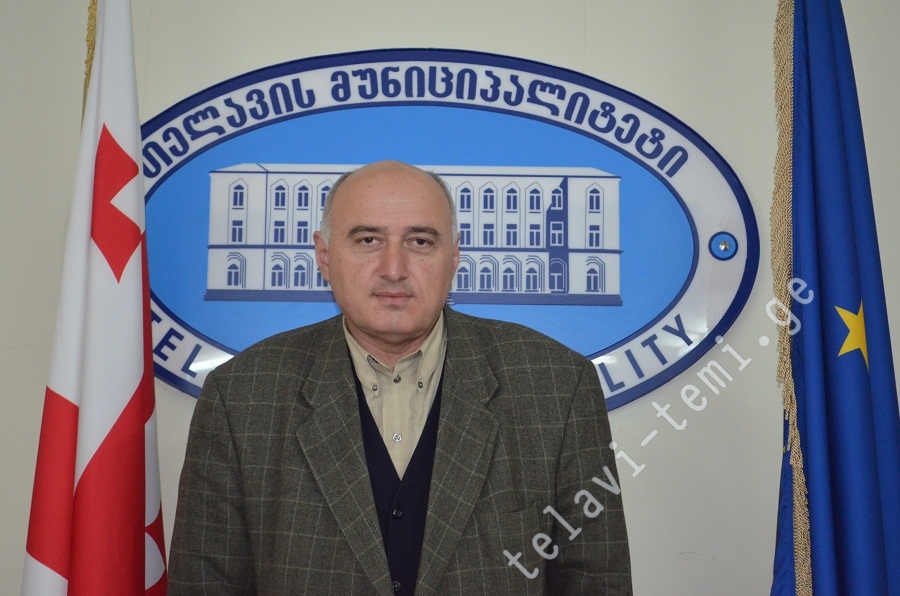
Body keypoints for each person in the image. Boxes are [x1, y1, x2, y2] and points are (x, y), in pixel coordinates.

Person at [168, 160, 632, 594]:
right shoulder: (241, 394)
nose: (394, 269)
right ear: (324, 255)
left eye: (420, 242)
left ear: (454, 256)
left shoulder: (557, 385)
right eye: (368, 240)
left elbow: (596, 580)